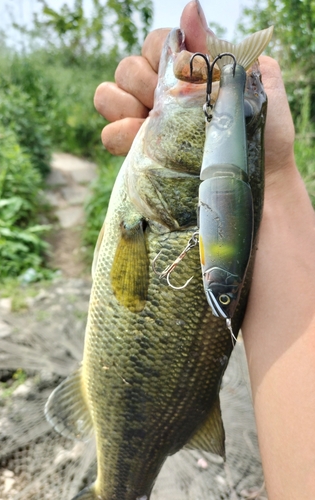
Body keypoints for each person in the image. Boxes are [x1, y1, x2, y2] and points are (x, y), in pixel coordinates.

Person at [93, 1, 315, 498]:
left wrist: (269, 170)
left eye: (217, 117)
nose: (215, 111)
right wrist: (272, 174)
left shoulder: (152, 210)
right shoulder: (174, 202)